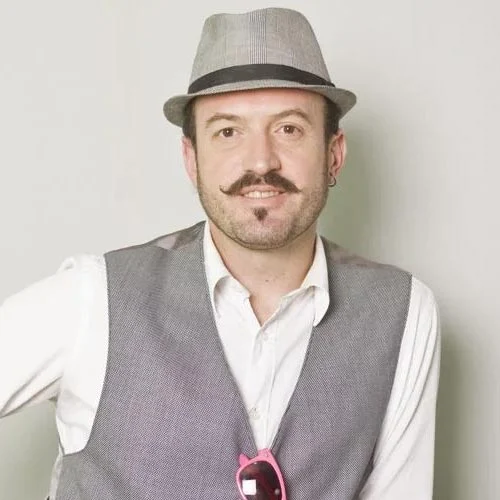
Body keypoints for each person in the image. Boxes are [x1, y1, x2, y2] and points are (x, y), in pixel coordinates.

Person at [0, 7, 440, 500]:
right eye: (228, 131)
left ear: (333, 154)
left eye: (289, 129)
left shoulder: (403, 312)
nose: (260, 161)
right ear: (191, 159)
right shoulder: (94, 299)